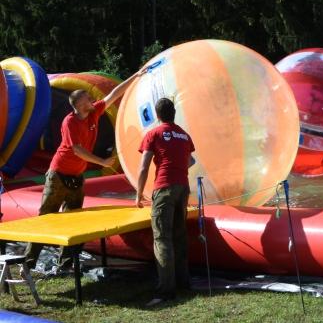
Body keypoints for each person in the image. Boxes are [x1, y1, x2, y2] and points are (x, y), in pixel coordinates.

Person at [24, 68, 147, 271]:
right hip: (58, 175)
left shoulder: (93, 113)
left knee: (77, 219)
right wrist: (102, 162)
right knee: (45, 217)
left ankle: (65, 264)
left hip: (76, 176)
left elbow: (112, 94)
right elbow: (77, 150)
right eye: (88, 99)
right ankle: (29, 263)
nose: (92, 100)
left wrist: (134, 77)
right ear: (81, 105)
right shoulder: (70, 122)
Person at [135, 98, 195, 306]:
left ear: (157, 115)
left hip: (164, 187)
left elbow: (143, 168)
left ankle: (165, 292)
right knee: (179, 235)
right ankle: (183, 283)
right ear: (174, 113)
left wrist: (138, 194)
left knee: (162, 239)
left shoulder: (153, 134)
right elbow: (190, 160)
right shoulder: (184, 135)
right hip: (182, 187)